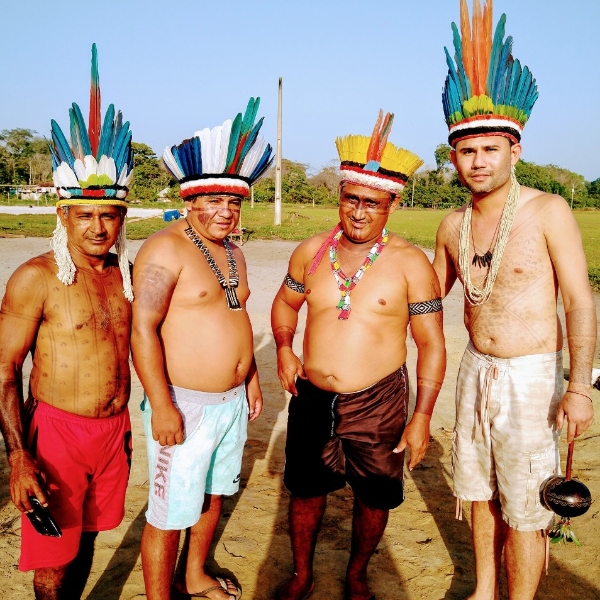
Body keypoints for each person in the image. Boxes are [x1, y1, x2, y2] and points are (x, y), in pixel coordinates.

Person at [433, 2, 597, 599]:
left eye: (489, 150)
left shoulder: (547, 212)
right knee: (476, 487)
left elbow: (580, 301)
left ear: (514, 150)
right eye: (466, 152)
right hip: (476, 369)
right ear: (453, 157)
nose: (477, 162)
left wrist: (578, 387)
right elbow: (430, 293)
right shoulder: (451, 225)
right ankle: (483, 588)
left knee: (528, 501)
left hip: (532, 377)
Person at [271, 111, 446, 600]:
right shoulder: (310, 251)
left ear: (391, 204)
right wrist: (285, 347)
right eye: (352, 199)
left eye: (373, 203)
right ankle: (302, 574)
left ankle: (356, 574)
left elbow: (432, 343)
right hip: (313, 396)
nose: (360, 212)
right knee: (305, 490)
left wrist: (422, 416)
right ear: (340, 197)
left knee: (376, 495)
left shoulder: (411, 264)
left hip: (379, 400)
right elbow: (285, 303)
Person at [0, 44, 135, 599]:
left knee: (89, 538)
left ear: (121, 216)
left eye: (109, 214)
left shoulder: (128, 274)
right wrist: (18, 455)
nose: (98, 227)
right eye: (85, 215)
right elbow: (4, 368)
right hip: (56, 432)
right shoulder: (37, 277)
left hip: (115, 431)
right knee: (53, 556)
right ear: (65, 214)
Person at [131, 98, 273, 600]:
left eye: (233, 202)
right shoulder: (165, 248)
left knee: (212, 495)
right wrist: (163, 406)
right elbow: (142, 330)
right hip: (183, 402)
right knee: (170, 511)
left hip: (230, 403)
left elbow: (237, 316)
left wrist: (250, 376)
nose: (225, 211)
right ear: (190, 201)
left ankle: (194, 576)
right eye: (213, 201)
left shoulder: (234, 251)